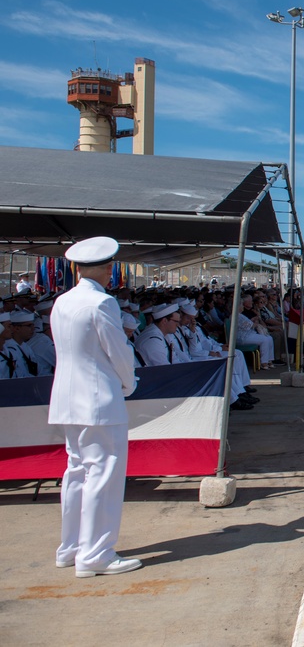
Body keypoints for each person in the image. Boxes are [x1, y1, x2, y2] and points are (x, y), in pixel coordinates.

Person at [48, 236, 141, 578]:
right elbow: (118, 351)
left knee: (76, 474)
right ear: (107, 268)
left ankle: (70, 547)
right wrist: (128, 383)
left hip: (67, 400)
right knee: (103, 476)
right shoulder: (102, 304)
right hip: (99, 401)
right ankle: (96, 554)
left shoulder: (62, 302)